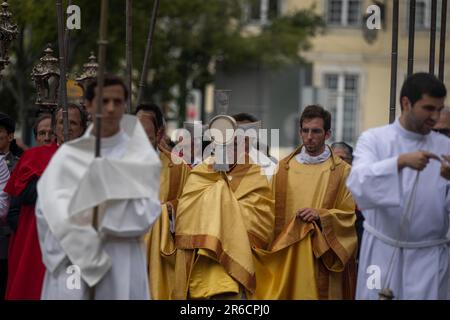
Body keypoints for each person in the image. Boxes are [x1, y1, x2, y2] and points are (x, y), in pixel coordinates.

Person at [36, 75, 161, 300]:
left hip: (121, 260)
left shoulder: (140, 157)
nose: (111, 108)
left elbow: (147, 210)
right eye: (104, 101)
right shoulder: (68, 156)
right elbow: (46, 209)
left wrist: (96, 209)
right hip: (74, 260)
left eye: (118, 101)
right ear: (90, 105)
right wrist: (82, 233)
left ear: (125, 106)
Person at [347, 72, 450, 300]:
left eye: (439, 109)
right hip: (382, 252)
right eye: (428, 108)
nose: (435, 117)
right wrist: (398, 163)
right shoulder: (374, 139)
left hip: (429, 258)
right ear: (406, 103)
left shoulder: (445, 146)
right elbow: (357, 182)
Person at [253, 105, 357, 300]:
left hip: (322, 258)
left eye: (316, 131)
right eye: (305, 130)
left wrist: (322, 215)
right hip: (287, 256)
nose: (310, 136)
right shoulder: (282, 168)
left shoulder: (342, 171)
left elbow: (348, 215)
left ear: (327, 134)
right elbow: (266, 209)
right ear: (300, 132)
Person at [173, 114, 275, 299]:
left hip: (237, 270)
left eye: (234, 145)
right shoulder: (200, 173)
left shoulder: (255, 176)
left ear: (244, 146)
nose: (228, 150)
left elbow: (261, 224)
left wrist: (219, 199)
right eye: (223, 145)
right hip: (201, 270)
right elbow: (186, 216)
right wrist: (222, 193)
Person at [3, 105, 86, 300]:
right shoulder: (34, 156)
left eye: (72, 123)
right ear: (56, 127)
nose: (67, 127)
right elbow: (25, 195)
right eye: (61, 122)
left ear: (82, 128)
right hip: (37, 242)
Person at [135, 103, 190, 299]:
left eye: (146, 136)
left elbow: (189, 209)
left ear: (159, 134)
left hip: (163, 257)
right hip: (128, 251)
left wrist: (168, 212)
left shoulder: (178, 168)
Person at [331, 142, 364, 260]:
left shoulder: (360, 179)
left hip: (355, 226)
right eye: (335, 158)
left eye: (343, 158)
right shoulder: (324, 179)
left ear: (352, 160)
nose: (339, 162)